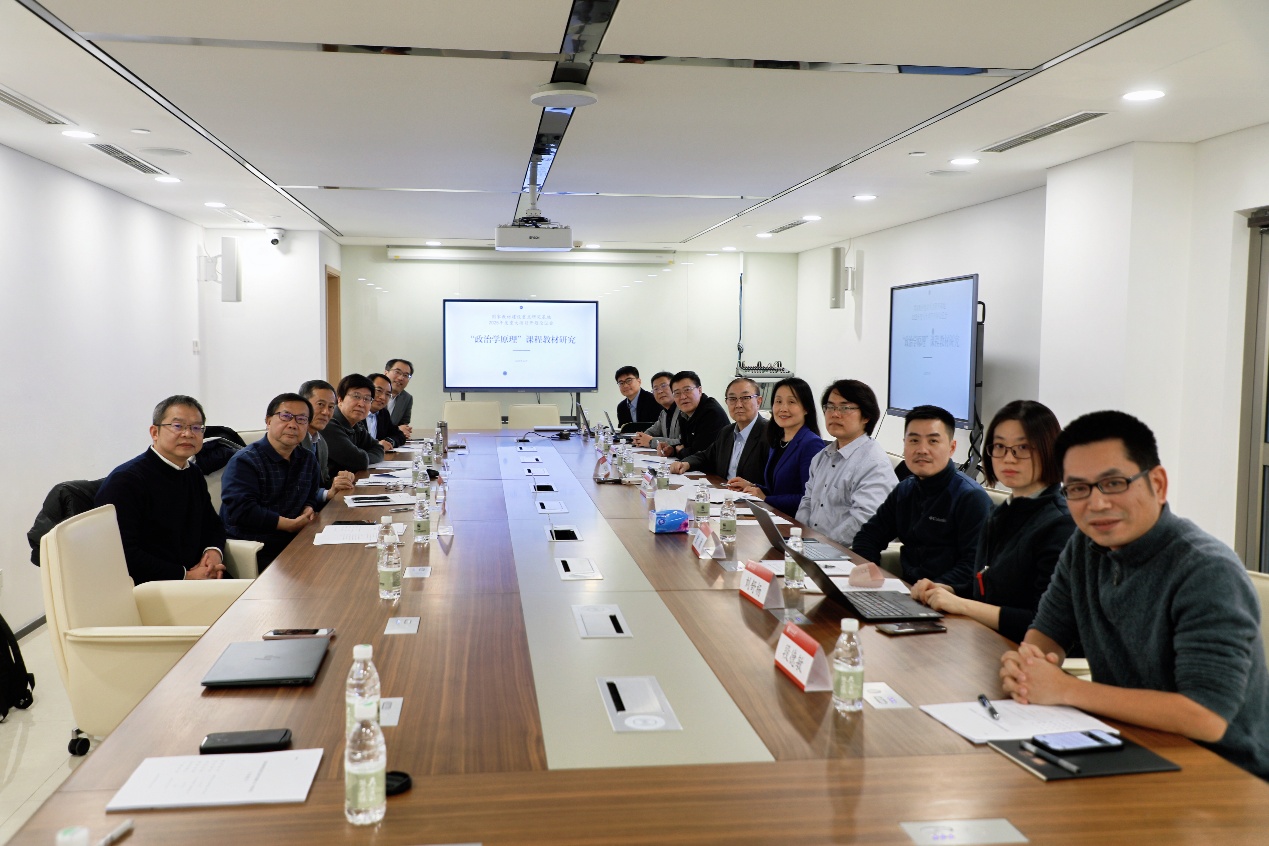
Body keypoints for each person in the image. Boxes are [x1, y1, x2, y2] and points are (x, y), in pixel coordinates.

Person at [1000, 410, 1269, 780]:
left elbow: (1206, 717)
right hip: (1131, 746)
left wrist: (1065, 689)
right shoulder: (1084, 546)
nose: (1096, 504)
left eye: (1113, 483)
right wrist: (1026, 668)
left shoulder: (1207, 570)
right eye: (1077, 489)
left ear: (1157, 483)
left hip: (1224, 773)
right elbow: (1047, 633)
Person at [910, 400, 1076, 643]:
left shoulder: (1061, 524)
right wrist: (948, 589)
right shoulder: (1004, 511)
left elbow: (1043, 621)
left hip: (1026, 654)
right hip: (981, 641)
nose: (1008, 458)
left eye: (1022, 448)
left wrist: (961, 605)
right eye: (999, 446)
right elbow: (990, 586)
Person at [851, 405, 992, 586]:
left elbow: (971, 567)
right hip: (906, 590)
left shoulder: (971, 498)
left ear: (952, 447)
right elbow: (868, 537)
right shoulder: (905, 489)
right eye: (914, 440)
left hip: (950, 597)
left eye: (933, 441)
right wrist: (869, 573)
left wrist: (929, 591)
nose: (922, 449)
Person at [95, 395, 226, 584]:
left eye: (196, 427)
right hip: (154, 586)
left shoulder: (193, 472)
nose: (188, 434)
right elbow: (122, 553)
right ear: (154, 432)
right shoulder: (126, 480)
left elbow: (212, 524)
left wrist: (213, 553)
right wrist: (186, 576)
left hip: (198, 577)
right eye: (178, 426)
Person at [219, 393, 327, 567]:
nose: (293, 424)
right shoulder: (245, 461)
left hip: (296, 538)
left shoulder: (307, 459)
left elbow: (311, 494)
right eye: (285, 416)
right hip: (255, 546)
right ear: (268, 421)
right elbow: (242, 510)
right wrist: (288, 525)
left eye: (301, 419)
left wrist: (308, 507)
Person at [795, 379, 897, 547]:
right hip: (812, 546)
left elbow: (864, 520)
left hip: (848, 553)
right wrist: (801, 538)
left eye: (845, 408)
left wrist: (821, 545)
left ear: (866, 416)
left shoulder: (873, 463)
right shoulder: (821, 457)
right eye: (830, 407)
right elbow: (807, 503)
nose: (835, 414)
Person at [728, 377, 823, 515]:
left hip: (795, 522)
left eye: (791, 402)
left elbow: (808, 498)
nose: (783, 408)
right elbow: (778, 490)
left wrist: (766, 499)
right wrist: (753, 486)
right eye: (778, 402)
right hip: (774, 517)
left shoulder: (811, 444)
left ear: (806, 408)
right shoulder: (778, 440)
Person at [669, 377, 768, 481]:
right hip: (723, 489)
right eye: (732, 399)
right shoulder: (727, 432)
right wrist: (686, 463)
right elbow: (706, 456)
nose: (738, 405)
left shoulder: (770, 434)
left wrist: (754, 487)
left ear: (758, 401)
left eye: (745, 398)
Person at [298, 379, 353, 494]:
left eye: (331, 407)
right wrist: (326, 494)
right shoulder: (292, 440)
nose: (326, 412)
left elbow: (322, 482)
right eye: (320, 404)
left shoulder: (321, 442)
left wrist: (338, 480)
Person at [659, 371, 728, 458]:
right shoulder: (684, 414)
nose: (683, 397)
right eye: (677, 393)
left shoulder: (711, 413)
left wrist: (681, 451)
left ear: (699, 390)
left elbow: (701, 454)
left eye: (687, 390)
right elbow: (686, 445)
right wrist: (672, 450)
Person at [326, 374, 385, 474]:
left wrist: (364, 458)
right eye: (356, 396)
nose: (361, 404)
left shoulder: (357, 425)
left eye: (367, 399)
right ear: (340, 399)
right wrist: (363, 458)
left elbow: (378, 448)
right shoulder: (329, 424)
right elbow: (357, 461)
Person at [632, 371, 680, 449]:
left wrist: (651, 441)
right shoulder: (663, 413)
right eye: (656, 389)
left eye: (664, 386)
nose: (660, 391)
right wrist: (640, 438)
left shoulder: (684, 411)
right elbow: (652, 431)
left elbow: (682, 442)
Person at [367, 373, 407, 451]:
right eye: (379, 391)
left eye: (388, 394)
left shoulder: (383, 413)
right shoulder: (356, 413)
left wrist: (389, 442)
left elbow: (400, 436)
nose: (383, 397)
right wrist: (376, 445)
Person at [385, 358, 414, 438]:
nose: (401, 378)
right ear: (386, 373)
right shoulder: (372, 394)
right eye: (397, 372)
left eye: (406, 375)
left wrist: (404, 431)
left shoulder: (407, 398)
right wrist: (396, 430)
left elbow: (403, 425)